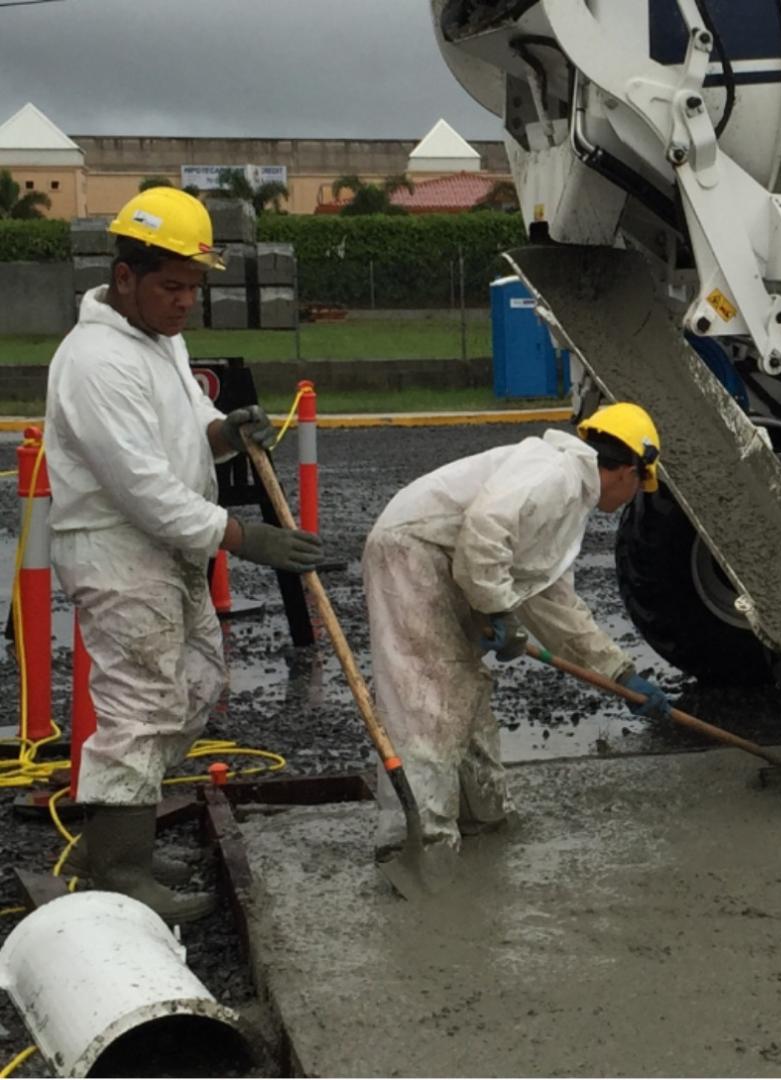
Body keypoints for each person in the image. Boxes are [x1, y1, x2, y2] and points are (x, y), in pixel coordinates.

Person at [44, 188, 324, 924]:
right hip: (115, 547)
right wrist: (244, 537)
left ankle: (122, 837)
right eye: (171, 287)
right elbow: (139, 485)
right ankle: (121, 871)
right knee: (140, 704)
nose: (184, 304)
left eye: (194, 289)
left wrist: (228, 430)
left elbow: (190, 423)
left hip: (165, 547)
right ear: (124, 275)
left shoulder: (160, 341)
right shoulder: (95, 361)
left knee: (195, 684)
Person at [363, 403, 674, 874]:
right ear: (628, 471)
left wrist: (619, 673)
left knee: (465, 692)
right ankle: (419, 846)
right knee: (425, 697)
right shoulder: (554, 473)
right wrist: (496, 608)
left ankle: (480, 818)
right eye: (640, 486)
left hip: (445, 560)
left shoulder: (571, 498)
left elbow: (552, 600)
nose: (634, 497)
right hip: (414, 551)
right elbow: (485, 531)